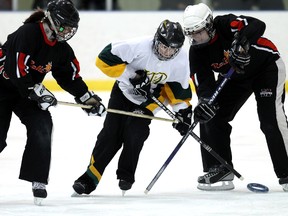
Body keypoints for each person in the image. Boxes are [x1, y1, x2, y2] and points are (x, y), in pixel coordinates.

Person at [0, 0, 105, 204]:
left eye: (71, 28)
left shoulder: (61, 49)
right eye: (65, 26)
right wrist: (34, 90)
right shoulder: (28, 33)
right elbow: (15, 68)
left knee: (42, 125)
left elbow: (69, 76)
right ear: (52, 20)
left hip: (26, 93)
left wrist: (86, 98)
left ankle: (37, 179)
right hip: (2, 89)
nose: (68, 32)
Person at [72, 19, 192, 195]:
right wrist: (133, 77)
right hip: (123, 91)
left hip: (150, 99)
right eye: (164, 47)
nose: (167, 53)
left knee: (135, 132)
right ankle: (89, 179)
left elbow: (178, 89)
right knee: (110, 134)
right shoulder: (139, 46)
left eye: (173, 49)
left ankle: (126, 176)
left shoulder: (181, 60)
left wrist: (182, 114)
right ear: (157, 40)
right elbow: (103, 58)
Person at [182, 3, 288, 191]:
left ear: (208, 25)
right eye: (191, 33)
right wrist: (206, 101)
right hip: (234, 77)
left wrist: (241, 41)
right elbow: (203, 83)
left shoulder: (225, 24)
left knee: (270, 121)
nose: (195, 38)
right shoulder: (197, 51)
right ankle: (220, 168)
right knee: (210, 112)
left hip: (266, 68)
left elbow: (257, 24)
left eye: (198, 32)